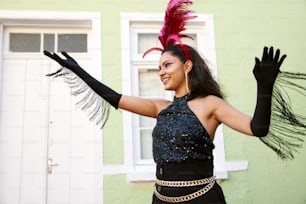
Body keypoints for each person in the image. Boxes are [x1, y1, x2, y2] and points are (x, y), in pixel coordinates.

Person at [44, 1, 306, 203]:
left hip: (202, 199)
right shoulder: (161, 108)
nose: (161, 72)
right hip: (161, 199)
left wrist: (265, 86)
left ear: (188, 66)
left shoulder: (210, 104)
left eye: (168, 64)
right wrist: (78, 70)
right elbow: (115, 98)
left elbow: (257, 128)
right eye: (159, 67)